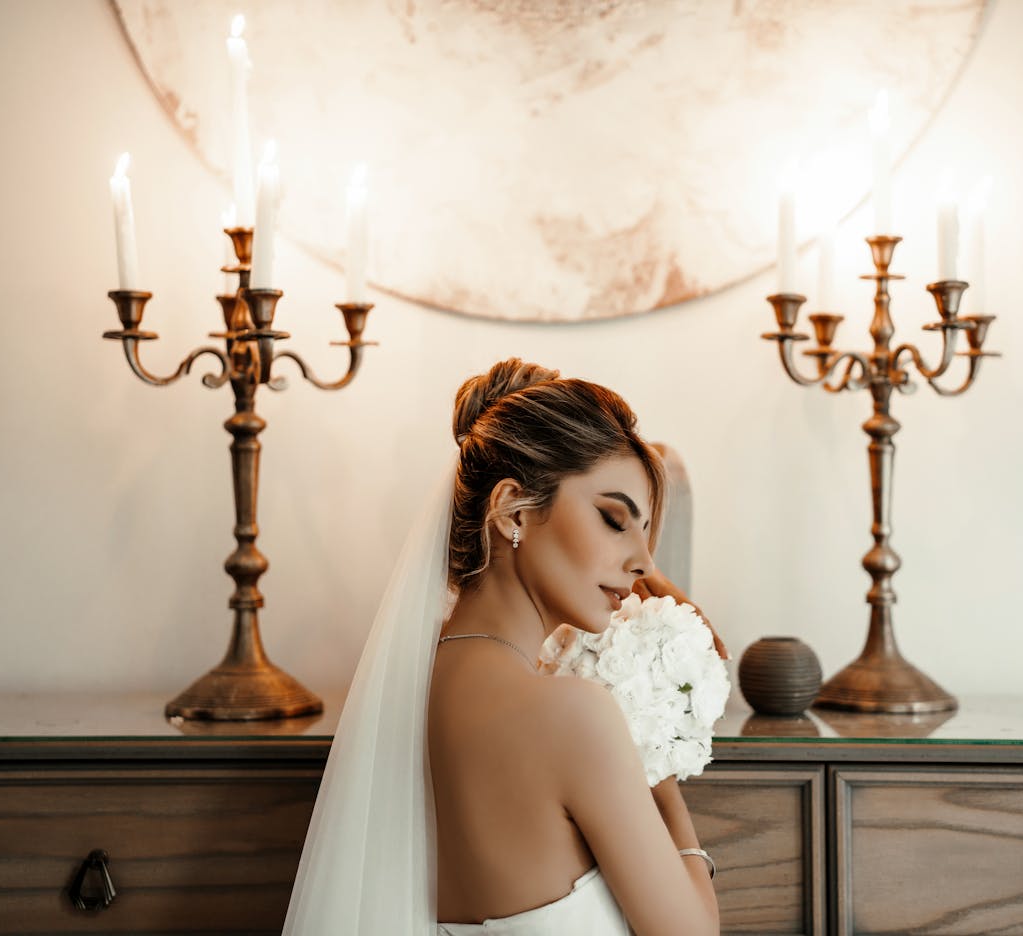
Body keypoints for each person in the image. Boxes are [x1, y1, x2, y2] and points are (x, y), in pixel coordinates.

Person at [283, 358, 725, 935]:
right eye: (615, 519)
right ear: (513, 509)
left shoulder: (409, 682)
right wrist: (658, 779)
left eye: (646, 531)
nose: (642, 560)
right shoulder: (573, 714)